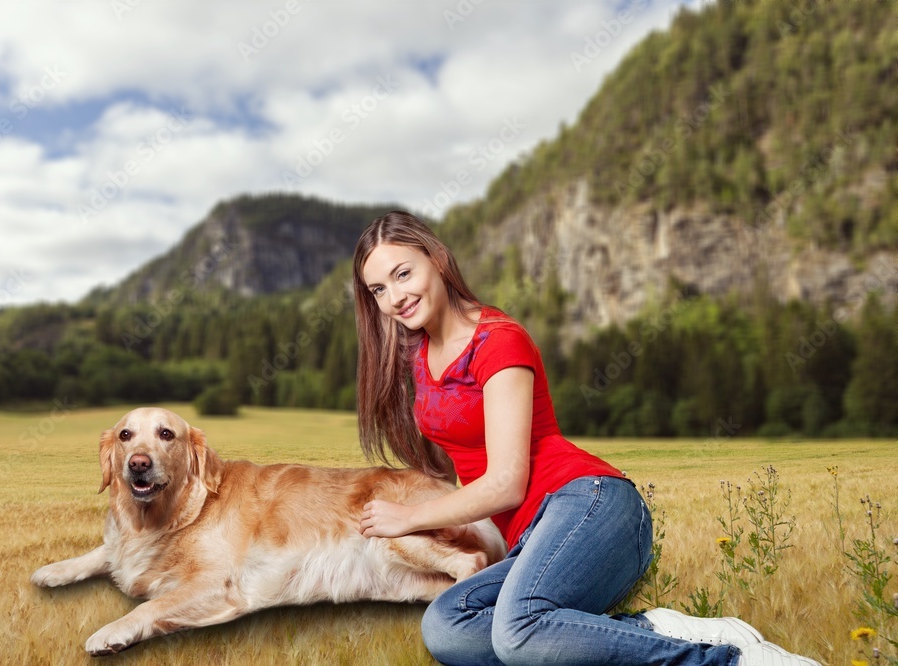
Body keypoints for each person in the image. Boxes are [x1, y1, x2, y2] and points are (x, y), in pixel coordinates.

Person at [351, 211, 820, 666]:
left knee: (516, 633)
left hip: (588, 504)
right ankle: (653, 629)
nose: (395, 296)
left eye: (403, 273)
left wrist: (409, 518)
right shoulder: (419, 355)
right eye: (379, 289)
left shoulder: (496, 341)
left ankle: (729, 661)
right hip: (531, 539)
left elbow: (507, 484)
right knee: (447, 630)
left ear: (436, 259)